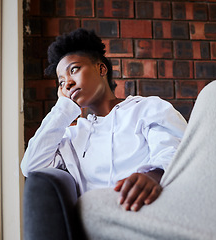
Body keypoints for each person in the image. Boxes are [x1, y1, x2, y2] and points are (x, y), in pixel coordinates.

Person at [21, 28, 188, 212]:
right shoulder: (73, 137)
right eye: (61, 82)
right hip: (99, 221)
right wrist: (63, 108)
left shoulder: (147, 108)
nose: (67, 83)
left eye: (74, 70)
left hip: (151, 209)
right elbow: (31, 166)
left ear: (101, 69)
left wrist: (154, 176)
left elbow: (175, 151)